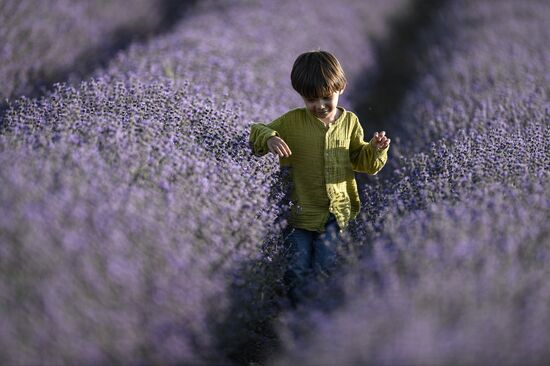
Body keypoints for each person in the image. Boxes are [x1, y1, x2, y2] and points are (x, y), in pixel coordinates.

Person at [249, 50, 390, 306]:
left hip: (336, 214)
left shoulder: (350, 123)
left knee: (325, 265)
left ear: (341, 88)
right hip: (299, 212)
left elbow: (361, 160)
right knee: (297, 267)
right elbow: (257, 129)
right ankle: (295, 313)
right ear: (300, 95)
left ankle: (316, 317)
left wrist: (376, 149)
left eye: (327, 97)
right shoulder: (292, 122)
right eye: (311, 99)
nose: (321, 105)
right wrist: (270, 138)